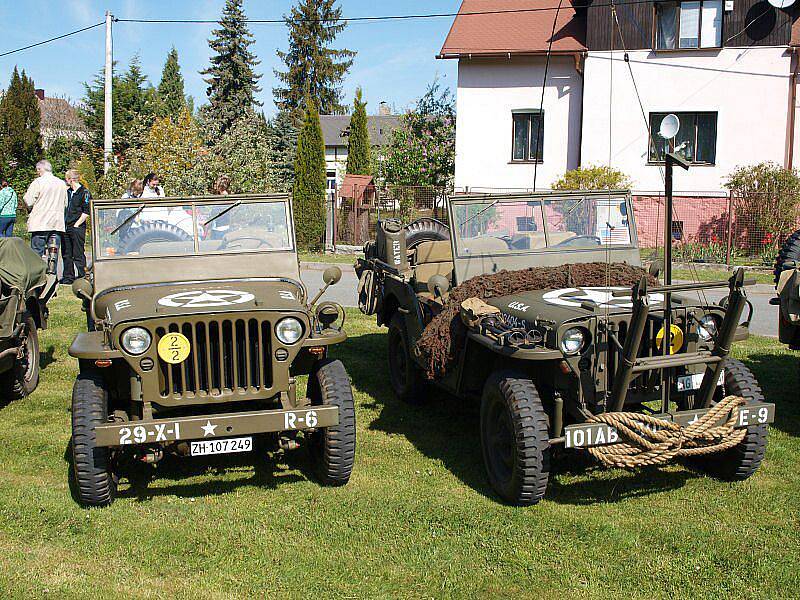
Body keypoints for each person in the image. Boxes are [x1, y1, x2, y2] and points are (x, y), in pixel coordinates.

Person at [23, 159, 67, 257]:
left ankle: (37, 272)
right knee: (53, 252)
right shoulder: (61, 183)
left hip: (40, 222)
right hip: (56, 222)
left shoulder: (38, 182)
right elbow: (65, 203)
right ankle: (51, 272)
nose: (37, 172)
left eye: (37, 170)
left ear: (40, 169)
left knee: (36, 253)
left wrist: (30, 209)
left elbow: (28, 200)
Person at [61, 169, 91, 284]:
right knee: (66, 253)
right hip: (66, 227)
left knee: (78, 253)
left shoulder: (84, 192)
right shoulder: (68, 192)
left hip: (77, 227)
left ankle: (83, 276)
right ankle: (68, 277)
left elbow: (86, 210)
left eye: (66, 179)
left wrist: (77, 224)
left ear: (70, 179)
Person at [210, 174, 232, 239]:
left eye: (216, 183)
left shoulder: (224, 197)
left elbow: (217, 213)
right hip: (218, 228)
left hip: (221, 229)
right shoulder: (221, 196)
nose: (215, 186)